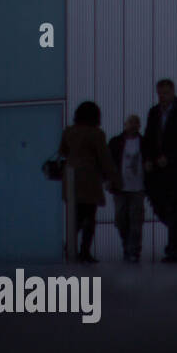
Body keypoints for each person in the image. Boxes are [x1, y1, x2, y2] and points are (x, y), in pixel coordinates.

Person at [143, 79, 177, 262]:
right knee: (161, 207)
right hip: (159, 173)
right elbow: (149, 139)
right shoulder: (153, 113)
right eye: (160, 94)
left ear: (173, 92)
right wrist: (151, 159)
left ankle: (176, 249)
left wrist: (170, 157)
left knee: (176, 209)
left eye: (165, 93)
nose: (162, 97)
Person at [59, 101, 121, 263]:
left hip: (71, 178)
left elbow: (62, 151)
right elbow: (104, 158)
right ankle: (84, 251)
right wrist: (115, 179)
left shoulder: (69, 131)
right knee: (89, 217)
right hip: (89, 179)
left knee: (75, 217)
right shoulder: (96, 134)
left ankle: (69, 247)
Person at [108, 114, 146, 263]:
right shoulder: (115, 142)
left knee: (136, 221)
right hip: (120, 187)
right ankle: (128, 246)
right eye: (130, 122)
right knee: (120, 219)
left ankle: (133, 250)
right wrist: (108, 179)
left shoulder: (144, 143)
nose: (132, 125)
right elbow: (108, 162)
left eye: (135, 123)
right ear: (125, 125)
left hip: (138, 188)